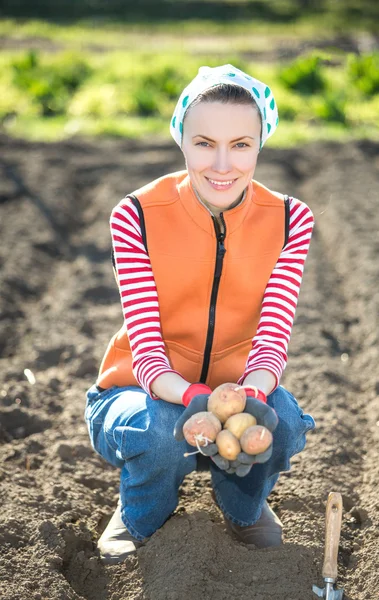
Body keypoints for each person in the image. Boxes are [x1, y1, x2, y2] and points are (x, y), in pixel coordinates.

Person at [84, 64, 316, 564]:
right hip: (140, 393)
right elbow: (146, 353)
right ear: (181, 139)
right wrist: (193, 398)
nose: (223, 164)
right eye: (205, 142)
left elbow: (273, 338)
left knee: (284, 422)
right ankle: (142, 510)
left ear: (261, 143)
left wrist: (246, 398)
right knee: (160, 432)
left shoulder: (291, 219)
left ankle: (244, 507)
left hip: (238, 388)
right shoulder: (137, 214)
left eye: (241, 144)